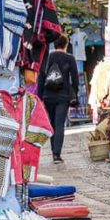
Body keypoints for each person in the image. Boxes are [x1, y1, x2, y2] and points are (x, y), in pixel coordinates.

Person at [37, 34, 79, 164]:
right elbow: (75, 79)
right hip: (63, 96)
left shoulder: (48, 57)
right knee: (59, 124)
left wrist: (40, 95)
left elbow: (41, 76)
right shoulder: (70, 58)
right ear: (66, 44)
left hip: (48, 95)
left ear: (54, 45)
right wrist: (74, 93)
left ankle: (53, 151)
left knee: (52, 123)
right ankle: (56, 155)